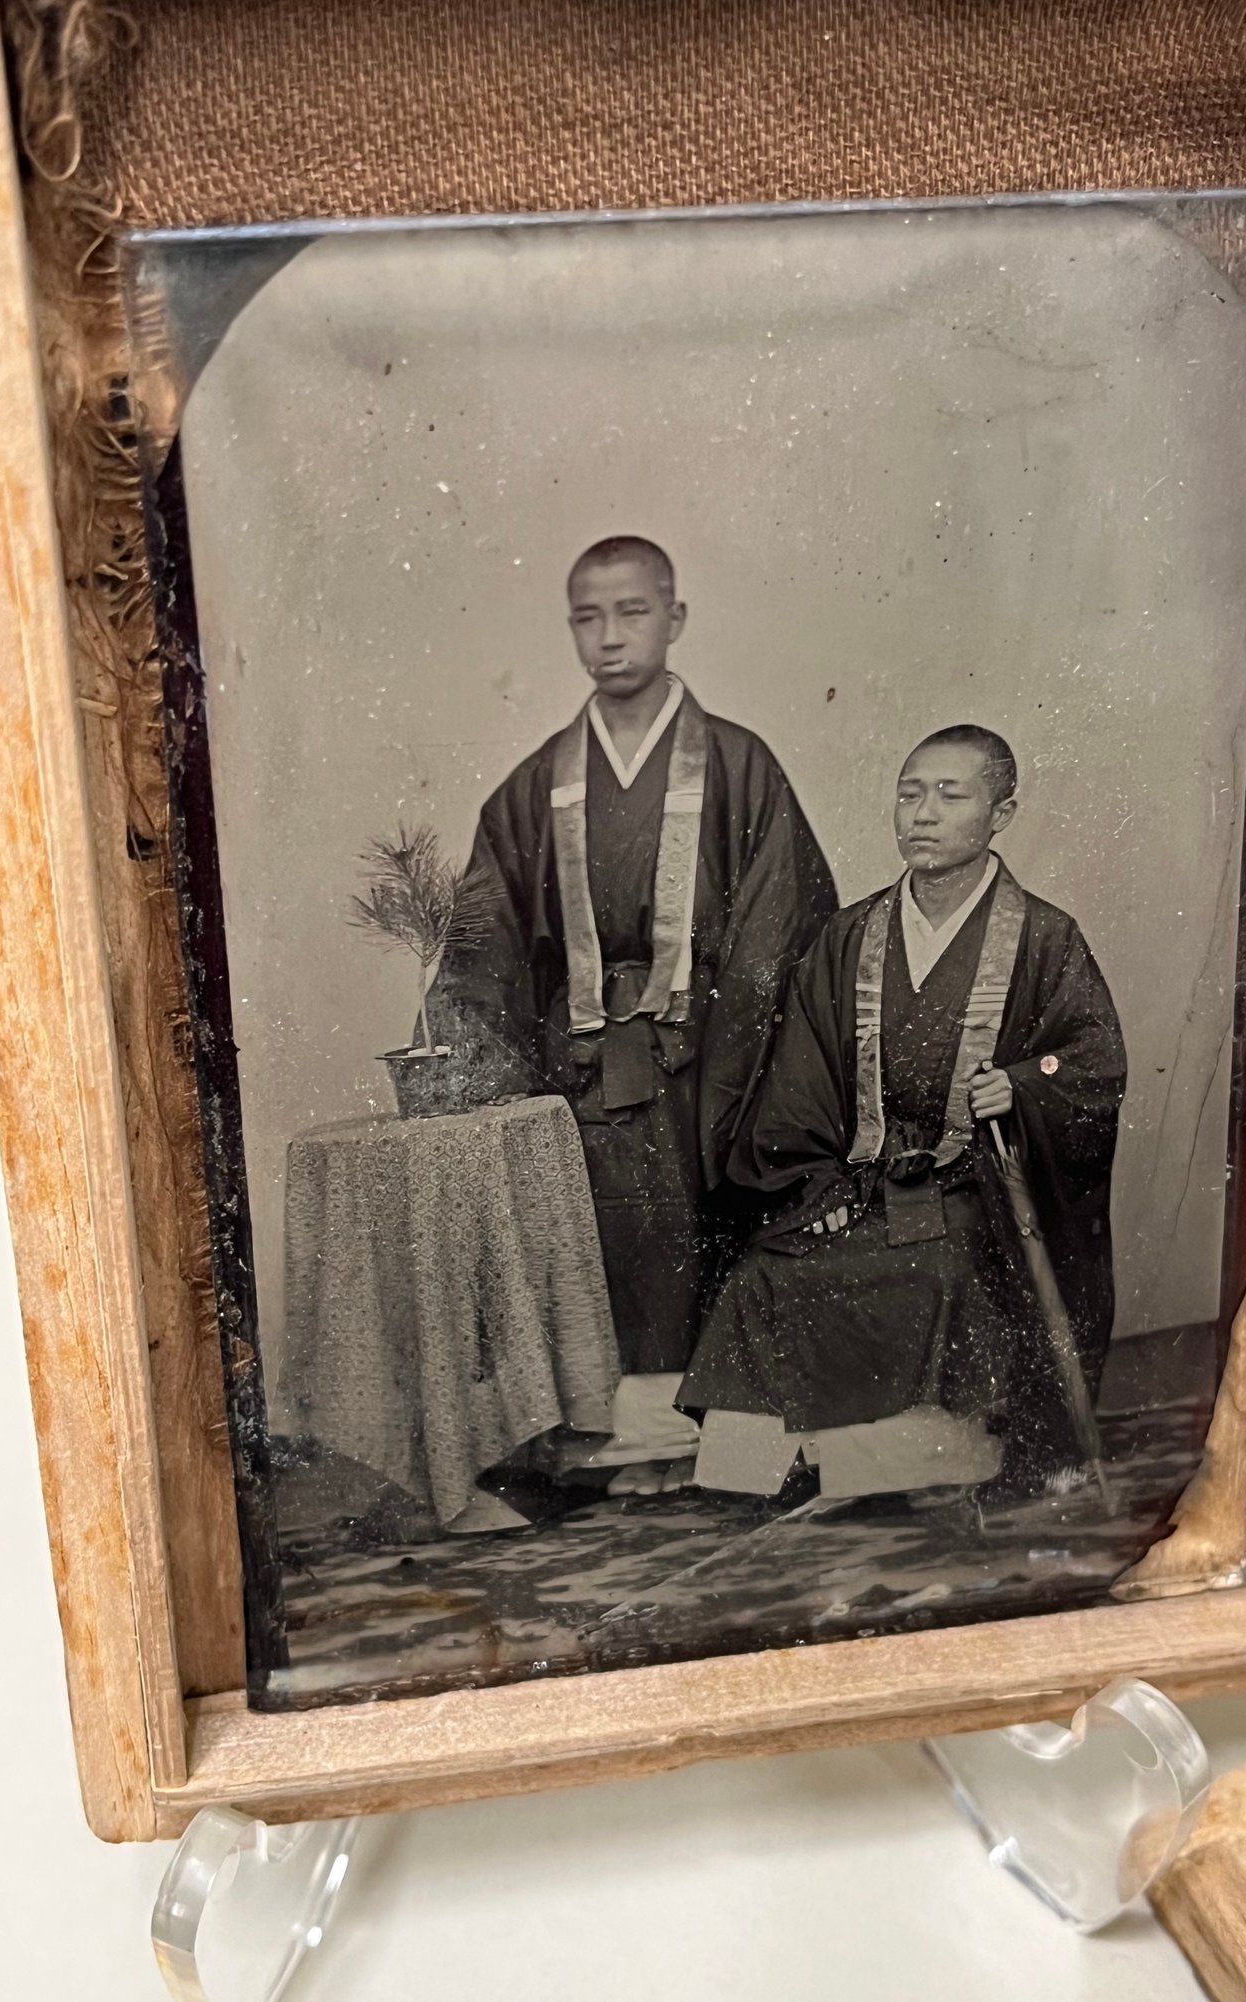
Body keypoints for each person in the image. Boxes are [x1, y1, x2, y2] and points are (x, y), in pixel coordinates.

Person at [429, 535, 836, 1492]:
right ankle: (623, 1446)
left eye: (633, 612)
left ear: (675, 618)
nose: (610, 638)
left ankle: (723, 1444)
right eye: (588, 616)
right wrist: (487, 1063)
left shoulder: (739, 763)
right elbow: (484, 948)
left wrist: (728, 1058)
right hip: (577, 1070)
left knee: (708, 1235)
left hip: (709, 1062)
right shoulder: (534, 787)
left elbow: (783, 921)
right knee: (601, 1248)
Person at [676, 725, 1126, 1503]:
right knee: (766, 1272)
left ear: (1002, 812)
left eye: (952, 795)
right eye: (910, 791)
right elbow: (802, 1078)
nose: (923, 812)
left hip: (975, 1185)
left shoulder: (1047, 938)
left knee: (940, 1273)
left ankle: (925, 1466)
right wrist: (819, 1184)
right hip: (861, 1182)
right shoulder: (850, 936)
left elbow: (1090, 1061)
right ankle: (772, 1469)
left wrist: (1022, 1083)